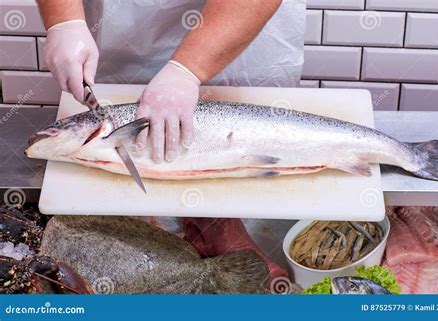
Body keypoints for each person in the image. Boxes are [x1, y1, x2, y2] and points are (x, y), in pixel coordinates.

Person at [38, 0, 305, 282]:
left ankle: (218, 225)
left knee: (228, 144)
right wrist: (63, 20)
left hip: (235, 21)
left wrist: (187, 70)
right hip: (119, 26)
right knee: (133, 151)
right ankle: (146, 236)